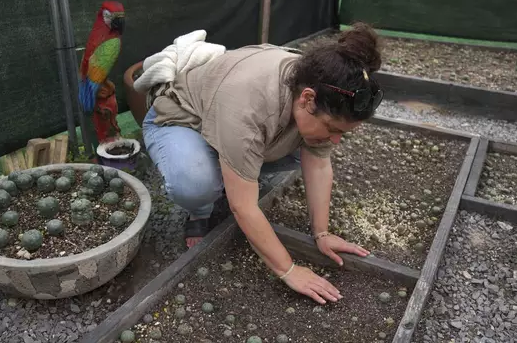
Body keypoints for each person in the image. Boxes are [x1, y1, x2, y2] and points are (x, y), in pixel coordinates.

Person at [142, 23, 384, 304]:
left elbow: (318, 164)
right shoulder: (248, 103)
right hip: (183, 120)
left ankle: (229, 171)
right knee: (196, 183)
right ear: (307, 99)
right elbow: (243, 207)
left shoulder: (323, 83)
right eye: (333, 129)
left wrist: (322, 233)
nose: (336, 140)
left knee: (306, 148)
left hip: (231, 128)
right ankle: (201, 208)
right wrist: (288, 269)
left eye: (342, 132)